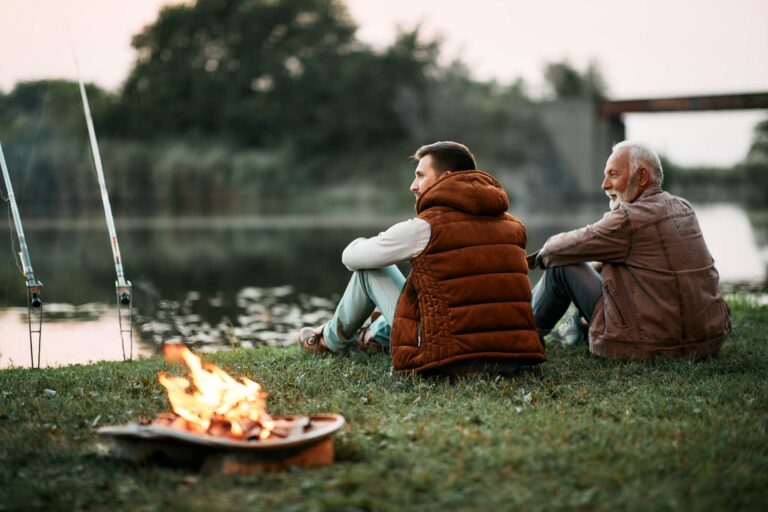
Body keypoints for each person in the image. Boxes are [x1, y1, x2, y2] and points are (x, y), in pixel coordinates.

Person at [297, 141, 546, 374]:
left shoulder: (424, 228)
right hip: (514, 356)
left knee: (369, 270)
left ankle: (329, 341)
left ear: (446, 178)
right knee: (422, 288)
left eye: (420, 176)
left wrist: (363, 243)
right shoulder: (514, 227)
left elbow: (351, 258)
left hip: (449, 357)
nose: (413, 186)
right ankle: (373, 336)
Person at [528, 140, 731, 359]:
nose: (604, 184)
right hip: (707, 342)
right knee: (602, 266)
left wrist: (529, 260)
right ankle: (574, 329)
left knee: (561, 266)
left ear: (642, 177)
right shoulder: (683, 208)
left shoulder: (627, 219)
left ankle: (521, 334)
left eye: (613, 174)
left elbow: (555, 250)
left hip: (645, 345)